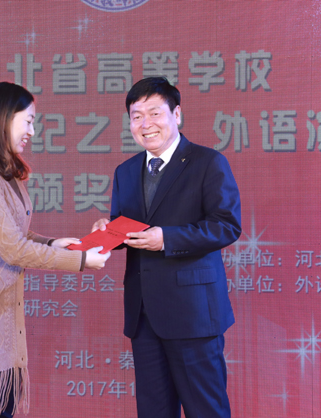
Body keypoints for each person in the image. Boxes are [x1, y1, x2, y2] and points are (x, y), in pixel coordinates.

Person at [0, 82, 110, 418]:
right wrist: (80, 260)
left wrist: (52, 243)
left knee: (3, 405)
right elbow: (12, 249)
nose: (32, 131)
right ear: (5, 117)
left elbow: (11, 233)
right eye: (28, 121)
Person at [92, 77, 241, 418]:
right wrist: (108, 230)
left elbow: (226, 225)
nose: (146, 124)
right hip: (144, 315)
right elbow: (126, 225)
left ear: (176, 114)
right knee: (153, 411)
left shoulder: (207, 162)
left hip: (193, 314)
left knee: (206, 410)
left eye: (155, 113)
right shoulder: (126, 171)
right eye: (136, 116)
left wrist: (167, 239)